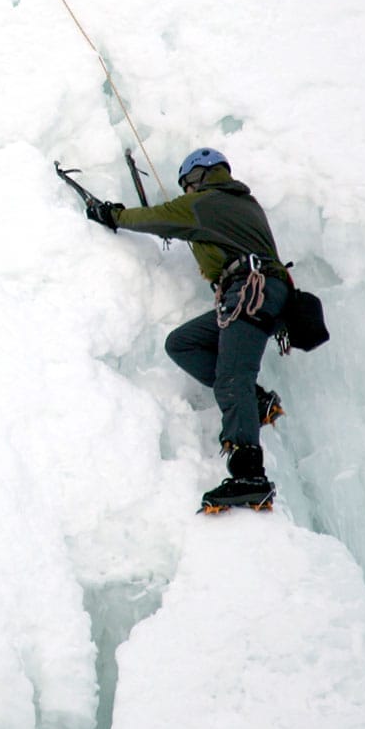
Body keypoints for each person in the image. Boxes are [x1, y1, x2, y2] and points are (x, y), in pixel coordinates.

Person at [84, 147, 292, 511]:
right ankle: (254, 402)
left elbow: (157, 218)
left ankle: (249, 475)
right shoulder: (242, 203)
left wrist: (111, 215)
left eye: (185, 184)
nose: (184, 191)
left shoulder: (207, 203)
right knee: (182, 344)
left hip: (248, 290)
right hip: (260, 293)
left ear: (199, 176)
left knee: (232, 375)